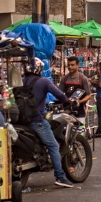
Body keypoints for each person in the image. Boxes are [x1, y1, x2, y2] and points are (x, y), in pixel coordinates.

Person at [22, 59, 75, 188]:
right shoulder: (43, 81)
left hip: (21, 119)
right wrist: (67, 101)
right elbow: (59, 94)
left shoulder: (21, 81)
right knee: (53, 146)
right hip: (36, 120)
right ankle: (60, 177)